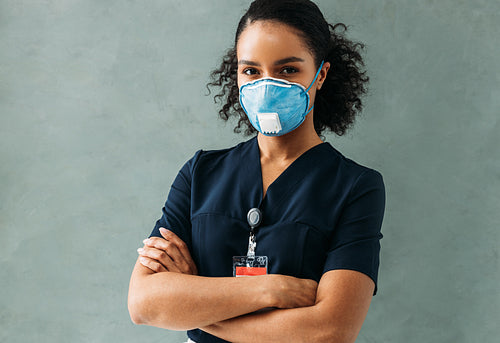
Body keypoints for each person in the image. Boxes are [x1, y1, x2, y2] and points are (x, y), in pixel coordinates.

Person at [128, 0, 386, 342]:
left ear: (320, 74)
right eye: (251, 71)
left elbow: (330, 331)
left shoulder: (356, 187)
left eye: (288, 70)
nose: (267, 86)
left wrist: (195, 306)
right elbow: (143, 303)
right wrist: (271, 289)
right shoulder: (200, 173)